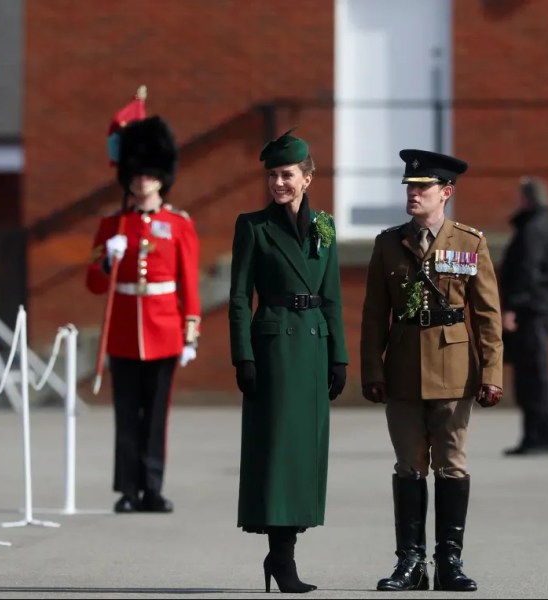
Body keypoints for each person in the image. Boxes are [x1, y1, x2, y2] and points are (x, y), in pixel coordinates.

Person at [360, 149, 503, 592]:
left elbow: (488, 316)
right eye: (409, 187)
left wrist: (492, 373)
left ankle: (449, 562)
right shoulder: (388, 243)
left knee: (452, 466)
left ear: (446, 192)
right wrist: (371, 370)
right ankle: (411, 562)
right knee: (408, 466)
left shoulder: (469, 242)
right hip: (402, 367)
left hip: (454, 367)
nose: (413, 193)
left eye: (422, 187)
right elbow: (372, 315)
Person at [228, 127, 348, 594]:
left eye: (287, 175)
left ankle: (284, 557)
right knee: (277, 453)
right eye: (273, 175)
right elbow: (239, 297)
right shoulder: (253, 226)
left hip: (313, 346)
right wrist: (243, 356)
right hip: (274, 349)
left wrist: (338, 355)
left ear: (308, 178)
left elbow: (333, 295)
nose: (278, 183)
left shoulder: (326, 227)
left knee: (303, 454)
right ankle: (281, 559)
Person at [86, 116, 201, 514]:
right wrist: (107, 261)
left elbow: (189, 284)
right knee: (126, 416)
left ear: (160, 177)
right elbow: (94, 283)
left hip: (164, 329)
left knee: (154, 418)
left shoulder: (178, 225)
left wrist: (190, 333)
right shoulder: (111, 224)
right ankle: (127, 489)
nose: (141, 181)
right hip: (123, 331)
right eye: (136, 173)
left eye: (149, 173)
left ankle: (152, 487)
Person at [500, 176, 548, 456]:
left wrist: (513, 308)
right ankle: (538, 434)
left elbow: (526, 271)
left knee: (532, 374)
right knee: (534, 372)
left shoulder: (532, 229)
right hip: (540, 309)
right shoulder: (543, 225)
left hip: (531, 312)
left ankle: (539, 435)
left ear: (527, 199)